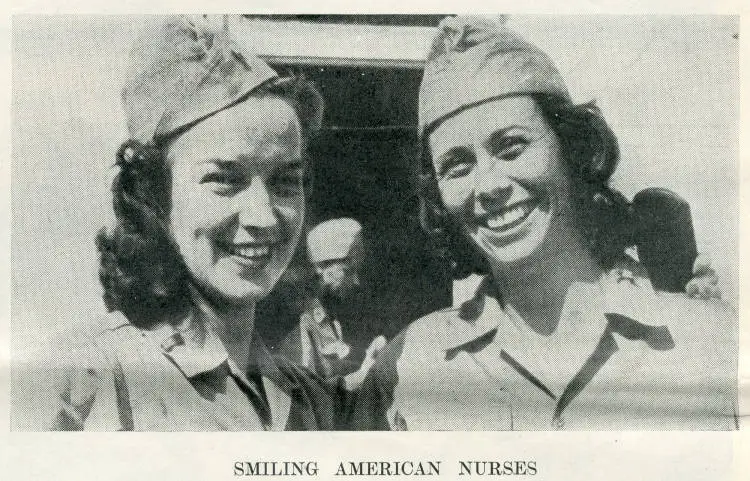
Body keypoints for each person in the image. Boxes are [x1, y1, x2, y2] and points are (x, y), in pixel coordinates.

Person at [350, 16, 737, 430]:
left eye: (512, 147)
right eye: (456, 166)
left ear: (572, 150)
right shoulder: (410, 366)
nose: (488, 186)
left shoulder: (713, 342)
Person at [45, 16, 342, 431]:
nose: (264, 216)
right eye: (223, 180)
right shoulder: (87, 379)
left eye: (285, 182)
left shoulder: (312, 404)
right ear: (156, 195)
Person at [278, 218, 386, 384]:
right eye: (348, 272)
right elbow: (310, 390)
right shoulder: (305, 319)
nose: (356, 281)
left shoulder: (357, 306)